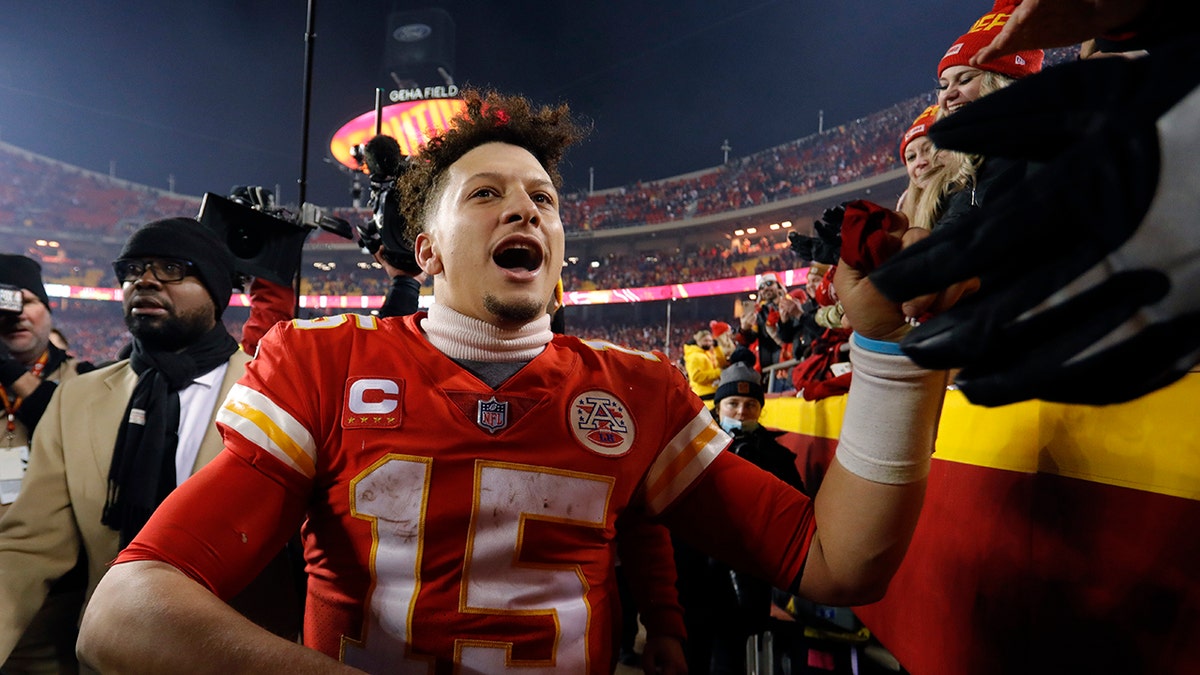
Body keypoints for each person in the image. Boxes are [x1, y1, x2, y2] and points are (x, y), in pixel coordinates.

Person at [77, 89, 951, 674]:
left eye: (542, 197)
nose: (525, 207)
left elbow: (837, 562)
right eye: (485, 193)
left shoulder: (637, 390)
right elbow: (124, 610)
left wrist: (888, 349)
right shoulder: (323, 362)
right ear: (426, 251)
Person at [0, 218, 303, 672]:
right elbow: (30, 548)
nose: (145, 280)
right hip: (109, 658)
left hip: (235, 660)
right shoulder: (77, 398)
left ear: (217, 292)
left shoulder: (277, 392)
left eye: (172, 268)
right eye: (133, 268)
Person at [870, 5, 1200, 406]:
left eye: (965, 78)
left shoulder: (1056, 154)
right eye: (943, 84)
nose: (949, 93)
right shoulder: (962, 178)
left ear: (1002, 79)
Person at [674, 362, 806, 674]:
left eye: (750, 405)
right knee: (692, 654)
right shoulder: (691, 448)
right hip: (694, 576)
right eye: (733, 403)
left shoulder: (779, 459)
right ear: (718, 407)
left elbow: (793, 515)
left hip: (747, 579)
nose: (742, 412)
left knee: (731, 658)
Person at [0, 253, 89, 674]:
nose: (16, 314)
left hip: (59, 612)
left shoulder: (87, 380)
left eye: (29, 301)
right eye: (4, 302)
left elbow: (69, 425)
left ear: (49, 312)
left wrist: (9, 373)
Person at [683, 328, 727, 403]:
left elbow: (722, 363)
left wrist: (717, 348)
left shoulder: (707, 353)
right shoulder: (694, 356)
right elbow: (696, 376)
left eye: (710, 341)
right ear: (698, 341)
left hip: (712, 392)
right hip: (704, 396)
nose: (708, 343)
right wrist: (718, 373)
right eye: (705, 341)